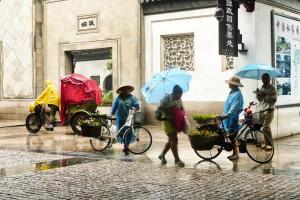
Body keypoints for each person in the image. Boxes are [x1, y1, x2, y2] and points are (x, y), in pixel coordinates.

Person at [158, 85, 185, 167]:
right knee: (174, 140)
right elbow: (160, 108)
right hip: (167, 121)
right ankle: (177, 160)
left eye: (181, 95)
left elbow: (182, 109)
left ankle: (162, 155)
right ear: (174, 93)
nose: (180, 97)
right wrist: (171, 107)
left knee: (171, 141)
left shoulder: (179, 100)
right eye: (179, 95)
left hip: (175, 122)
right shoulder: (166, 99)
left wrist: (182, 116)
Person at [110, 85, 140, 156]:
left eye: (126, 89)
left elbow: (137, 106)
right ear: (121, 91)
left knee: (128, 132)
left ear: (128, 90)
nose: (125, 90)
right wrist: (111, 113)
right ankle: (125, 145)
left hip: (129, 117)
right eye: (123, 89)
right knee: (121, 132)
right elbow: (114, 107)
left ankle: (126, 146)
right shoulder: (118, 98)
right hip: (120, 117)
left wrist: (133, 110)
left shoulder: (132, 98)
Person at [223, 76, 244, 161]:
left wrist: (228, 113)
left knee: (233, 135)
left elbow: (234, 106)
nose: (229, 84)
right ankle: (234, 153)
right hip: (228, 116)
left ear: (234, 85)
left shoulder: (237, 94)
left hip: (233, 116)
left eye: (230, 83)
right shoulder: (232, 92)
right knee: (231, 135)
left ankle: (236, 154)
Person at [256, 73, 277, 150]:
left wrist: (266, 95)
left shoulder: (272, 88)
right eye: (262, 78)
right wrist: (258, 94)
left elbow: (274, 100)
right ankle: (266, 143)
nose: (263, 80)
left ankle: (270, 145)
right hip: (262, 109)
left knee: (265, 127)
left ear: (269, 79)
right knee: (264, 128)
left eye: (265, 78)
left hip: (269, 109)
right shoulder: (261, 87)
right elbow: (260, 100)